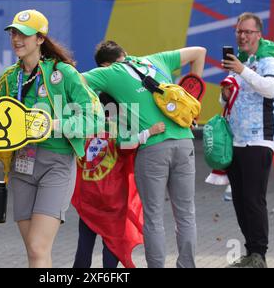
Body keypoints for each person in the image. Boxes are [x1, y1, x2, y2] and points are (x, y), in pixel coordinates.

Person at [0, 9, 103, 268]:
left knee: (38, 246)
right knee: (34, 250)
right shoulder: (9, 78)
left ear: (41, 39)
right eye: (14, 33)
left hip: (57, 164)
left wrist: (53, 125)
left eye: (25, 35)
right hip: (21, 165)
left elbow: (95, 118)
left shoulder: (64, 73)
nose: (17, 39)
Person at [83, 40, 207, 268]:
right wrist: (192, 103)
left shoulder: (110, 72)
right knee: (186, 214)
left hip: (153, 148)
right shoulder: (156, 59)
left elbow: (76, 81)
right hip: (184, 142)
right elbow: (200, 52)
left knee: (153, 217)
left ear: (104, 64)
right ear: (125, 53)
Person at [220, 12, 274, 268]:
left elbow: (270, 89)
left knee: (254, 199)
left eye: (248, 32)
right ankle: (250, 252)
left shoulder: (269, 61)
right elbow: (228, 103)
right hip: (235, 141)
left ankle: (260, 254)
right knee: (240, 199)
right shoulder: (238, 64)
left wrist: (242, 70)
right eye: (239, 32)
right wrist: (225, 95)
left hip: (259, 140)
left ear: (259, 34)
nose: (243, 36)